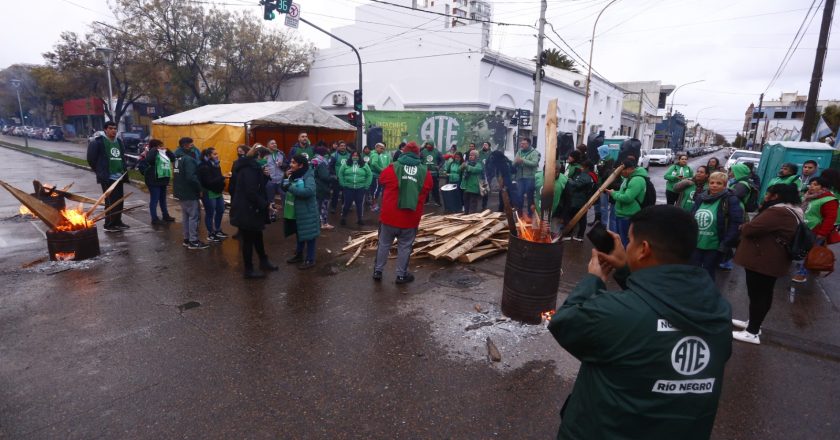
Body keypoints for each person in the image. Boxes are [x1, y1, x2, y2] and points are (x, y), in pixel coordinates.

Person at [548, 205, 732, 440]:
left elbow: (565, 323)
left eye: (630, 241)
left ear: (643, 249)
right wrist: (626, 268)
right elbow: (661, 304)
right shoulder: (718, 312)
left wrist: (593, 280)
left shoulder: (617, 313)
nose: (627, 246)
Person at [732, 184, 802, 344]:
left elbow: (751, 229)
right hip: (771, 259)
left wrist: (744, 226)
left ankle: (752, 332)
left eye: (768, 193)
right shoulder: (791, 210)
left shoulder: (778, 212)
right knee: (762, 294)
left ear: (776, 196)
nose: (765, 196)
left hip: (764, 260)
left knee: (759, 295)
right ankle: (753, 323)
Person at [373, 141, 433, 284]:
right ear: (418, 154)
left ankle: (378, 271)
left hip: (389, 216)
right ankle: (401, 275)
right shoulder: (425, 172)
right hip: (410, 218)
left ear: (404, 152)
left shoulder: (392, 167)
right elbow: (428, 188)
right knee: (405, 247)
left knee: (384, 244)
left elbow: (381, 180)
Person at [230, 146, 278, 278]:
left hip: (252, 209)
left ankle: (264, 261)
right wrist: (266, 205)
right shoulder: (248, 169)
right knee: (248, 241)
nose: (266, 161)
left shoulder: (253, 167)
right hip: (247, 210)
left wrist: (265, 176)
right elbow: (251, 192)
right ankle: (249, 270)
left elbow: (258, 186)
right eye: (265, 158)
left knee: (258, 236)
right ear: (258, 156)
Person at [690, 171, 743, 281]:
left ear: (724, 185)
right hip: (697, 243)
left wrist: (725, 243)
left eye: (719, 183)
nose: (714, 185)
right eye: (712, 182)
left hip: (714, 246)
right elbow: (691, 217)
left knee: (708, 273)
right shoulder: (700, 198)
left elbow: (736, 223)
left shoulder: (730, 199)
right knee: (693, 272)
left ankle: (708, 296)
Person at [791, 176, 839, 283]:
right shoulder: (810, 197)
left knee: (810, 252)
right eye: (811, 184)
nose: (811, 186)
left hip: (816, 230)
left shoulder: (829, 200)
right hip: (805, 228)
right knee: (807, 250)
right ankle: (815, 267)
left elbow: (830, 218)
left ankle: (802, 274)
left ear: (824, 187)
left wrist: (822, 233)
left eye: (816, 184)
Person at [86, 121, 128, 232]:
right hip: (108, 177)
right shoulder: (97, 142)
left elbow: (122, 157)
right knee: (110, 202)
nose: (113, 130)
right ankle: (109, 224)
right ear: (105, 129)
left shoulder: (119, 141)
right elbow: (91, 159)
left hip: (119, 176)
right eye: (110, 128)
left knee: (119, 201)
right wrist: (100, 171)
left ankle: (118, 221)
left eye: (115, 128)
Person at [282, 154, 320, 270]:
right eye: (291, 162)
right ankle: (299, 255)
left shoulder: (308, 176)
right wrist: (285, 178)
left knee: (309, 236)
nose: (291, 164)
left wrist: (290, 187)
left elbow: (309, 191)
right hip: (295, 211)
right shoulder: (293, 175)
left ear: (301, 165)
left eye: (293, 163)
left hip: (307, 212)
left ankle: (310, 259)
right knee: (299, 234)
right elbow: (284, 187)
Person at [173, 137, 207, 249]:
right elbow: (191, 177)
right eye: (191, 145)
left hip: (181, 191)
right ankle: (194, 241)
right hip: (189, 191)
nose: (193, 147)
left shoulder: (177, 157)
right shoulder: (188, 159)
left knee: (186, 216)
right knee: (194, 216)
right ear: (185, 145)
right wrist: (199, 189)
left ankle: (187, 239)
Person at [607, 158, 648, 247]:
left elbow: (627, 198)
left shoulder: (637, 180)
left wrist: (614, 194)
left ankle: (625, 259)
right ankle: (621, 257)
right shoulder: (628, 178)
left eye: (622, 170)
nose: (621, 172)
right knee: (620, 239)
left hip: (628, 215)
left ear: (630, 169)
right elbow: (623, 193)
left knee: (625, 240)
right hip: (621, 213)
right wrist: (614, 192)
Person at [197, 147, 229, 242]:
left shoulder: (216, 164)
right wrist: (223, 177)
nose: (217, 155)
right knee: (210, 213)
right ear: (208, 155)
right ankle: (210, 233)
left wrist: (222, 182)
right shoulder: (204, 166)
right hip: (209, 192)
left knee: (220, 210)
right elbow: (208, 182)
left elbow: (218, 176)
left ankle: (218, 230)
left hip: (218, 191)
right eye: (214, 154)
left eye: (217, 153)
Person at [142, 139, 176, 225]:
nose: (161, 147)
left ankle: (166, 215)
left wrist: (167, 150)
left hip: (163, 179)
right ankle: (154, 218)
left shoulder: (163, 153)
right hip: (153, 180)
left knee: (163, 199)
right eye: (159, 146)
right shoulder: (150, 152)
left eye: (162, 145)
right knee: (155, 199)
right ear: (155, 146)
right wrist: (154, 150)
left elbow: (173, 158)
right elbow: (149, 160)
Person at [338, 150, 373, 226]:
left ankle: (360, 219)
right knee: (347, 204)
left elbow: (370, 175)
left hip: (360, 188)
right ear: (351, 156)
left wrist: (366, 185)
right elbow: (340, 173)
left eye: (357, 155)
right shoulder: (346, 164)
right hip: (348, 188)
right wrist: (343, 183)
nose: (355, 157)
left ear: (359, 157)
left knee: (359, 204)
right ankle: (343, 218)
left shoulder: (364, 165)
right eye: (353, 155)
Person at [564, 158, 596, 241]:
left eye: (582, 167)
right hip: (581, 200)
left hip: (579, 200)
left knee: (577, 217)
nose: (581, 168)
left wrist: (569, 180)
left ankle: (576, 235)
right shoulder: (590, 175)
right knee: (580, 218)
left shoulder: (586, 176)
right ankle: (578, 235)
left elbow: (578, 185)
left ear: (587, 168)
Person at [534, 160, 568, 234]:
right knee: (535, 233)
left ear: (558, 171)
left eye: (556, 172)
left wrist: (563, 216)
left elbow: (567, 200)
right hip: (537, 211)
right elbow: (530, 191)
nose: (553, 174)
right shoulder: (537, 176)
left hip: (555, 213)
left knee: (551, 235)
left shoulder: (564, 180)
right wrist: (532, 205)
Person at [514, 137, 541, 215]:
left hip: (530, 178)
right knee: (519, 195)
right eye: (521, 143)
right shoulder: (519, 151)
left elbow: (534, 163)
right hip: (520, 177)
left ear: (528, 144)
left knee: (530, 196)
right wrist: (515, 163)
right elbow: (514, 162)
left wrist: (523, 160)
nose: (521, 145)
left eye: (523, 143)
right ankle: (519, 213)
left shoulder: (535, 153)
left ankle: (530, 214)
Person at [310, 146, 334, 230]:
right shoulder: (322, 162)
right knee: (324, 206)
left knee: (316, 206)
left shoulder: (313, 160)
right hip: (322, 187)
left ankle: (316, 223)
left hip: (314, 186)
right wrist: (333, 177)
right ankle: (324, 223)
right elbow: (325, 176)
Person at [368, 143, 391, 212]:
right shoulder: (375, 154)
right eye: (381, 148)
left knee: (376, 190)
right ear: (377, 147)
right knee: (376, 190)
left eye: (383, 149)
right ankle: (374, 206)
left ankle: (373, 205)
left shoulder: (375, 154)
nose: (382, 150)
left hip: (377, 175)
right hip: (376, 176)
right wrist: (382, 170)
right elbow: (374, 164)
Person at [329, 141, 350, 213]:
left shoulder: (349, 155)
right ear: (338, 147)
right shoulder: (334, 155)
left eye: (344, 145)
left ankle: (345, 207)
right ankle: (333, 207)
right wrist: (334, 175)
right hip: (337, 179)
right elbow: (330, 167)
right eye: (341, 146)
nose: (343, 147)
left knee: (346, 194)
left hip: (346, 178)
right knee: (335, 194)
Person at [420, 140, 443, 206]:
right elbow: (419, 159)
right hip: (425, 173)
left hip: (434, 173)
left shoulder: (437, 152)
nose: (428, 146)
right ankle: (425, 201)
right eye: (427, 145)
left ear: (432, 145)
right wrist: (421, 166)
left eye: (429, 145)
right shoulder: (423, 152)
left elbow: (442, 160)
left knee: (435, 188)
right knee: (425, 188)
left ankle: (437, 202)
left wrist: (439, 166)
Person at [460, 149, 484, 214]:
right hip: (466, 186)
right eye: (470, 155)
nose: (470, 156)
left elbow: (477, 170)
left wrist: (467, 167)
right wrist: (462, 167)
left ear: (476, 157)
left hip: (474, 187)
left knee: (473, 203)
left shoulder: (478, 163)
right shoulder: (467, 162)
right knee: (466, 201)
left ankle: (471, 216)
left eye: (472, 155)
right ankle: (466, 214)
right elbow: (459, 169)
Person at [264, 139, 286, 206]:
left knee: (284, 196)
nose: (274, 144)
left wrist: (282, 164)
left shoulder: (281, 154)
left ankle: (285, 213)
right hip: (270, 180)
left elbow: (287, 164)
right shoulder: (265, 155)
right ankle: (272, 214)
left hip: (280, 180)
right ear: (268, 146)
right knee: (270, 199)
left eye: (275, 143)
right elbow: (261, 166)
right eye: (272, 143)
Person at [479, 142, 492, 210]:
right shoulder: (479, 153)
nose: (484, 146)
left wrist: (490, 175)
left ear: (489, 146)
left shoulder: (491, 154)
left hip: (487, 175)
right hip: (479, 174)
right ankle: (474, 205)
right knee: (477, 190)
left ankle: (484, 206)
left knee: (485, 191)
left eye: (486, 145)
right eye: (483, 145)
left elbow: (493, 165)